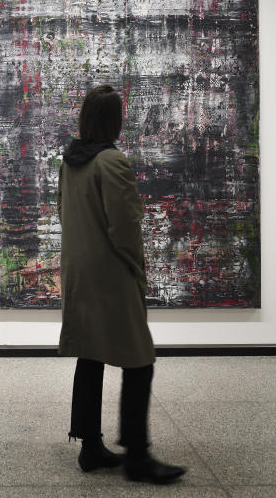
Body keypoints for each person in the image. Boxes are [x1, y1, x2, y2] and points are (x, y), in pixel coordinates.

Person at [58, 84, 186, 484]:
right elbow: (126, 228)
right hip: (111, 275)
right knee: (139, 359)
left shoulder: (71, 162)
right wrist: (137, 268)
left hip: (79, 271)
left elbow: (65, 214)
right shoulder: (112, 162)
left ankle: (90, 447)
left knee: (90, 353)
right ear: (115, 120)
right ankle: (137, 456)